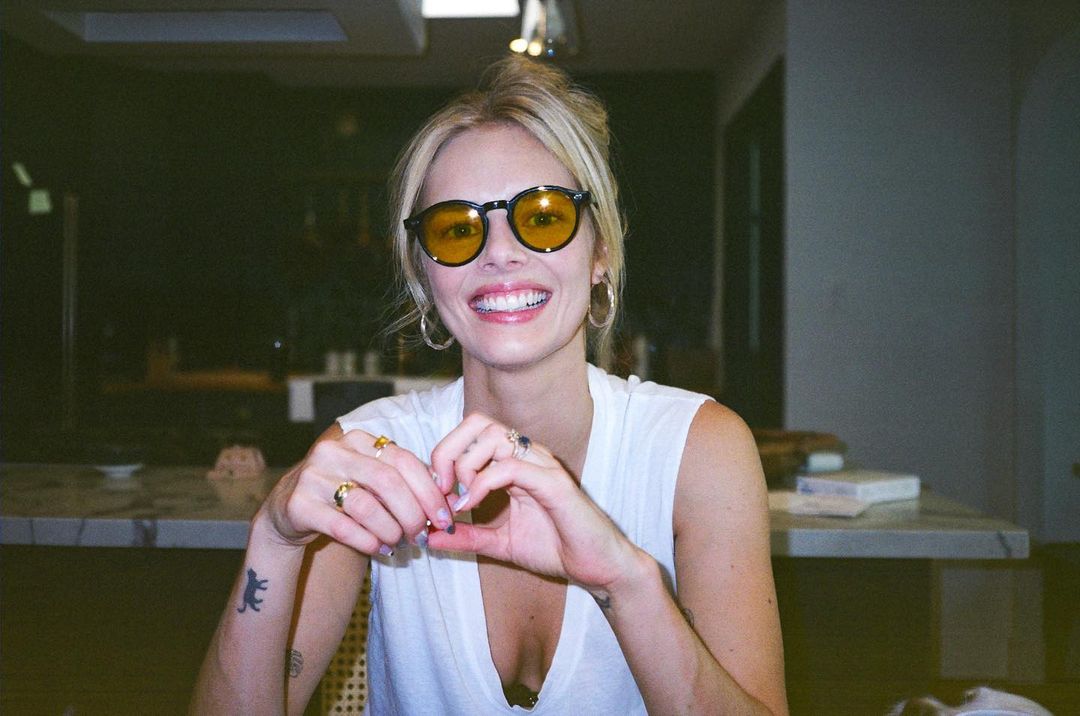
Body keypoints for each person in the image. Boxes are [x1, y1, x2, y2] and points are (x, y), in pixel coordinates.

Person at [191, 56, 788, 715]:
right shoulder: (371, 455)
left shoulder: (697, 451)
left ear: (600, 253)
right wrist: (274, 540)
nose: (499, 253)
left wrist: (626, 580)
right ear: (425, 275)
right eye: (457, 229)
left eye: (543, 217)